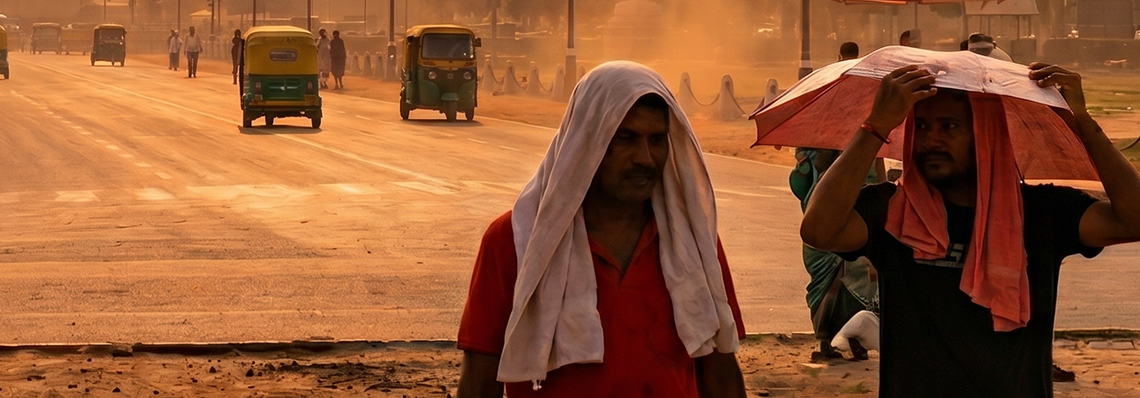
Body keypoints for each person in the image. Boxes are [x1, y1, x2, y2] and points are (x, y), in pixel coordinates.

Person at [800, 59, 1140, 397]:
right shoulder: (893, 211)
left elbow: (1133, 219)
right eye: (922, 127)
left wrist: (1083, 124)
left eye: (948, 127)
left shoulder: (1040, 212)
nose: (931, 139)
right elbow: (818, 230)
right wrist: (875, 127)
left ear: (985, 135)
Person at [456, 61, 746, 398]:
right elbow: (479, 381)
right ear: (587, 143)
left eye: (656, 140)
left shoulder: (693, 242)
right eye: (626, 138)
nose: (646, 158)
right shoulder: (514, 241)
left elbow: (721, 374)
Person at [788, 39, 880, 361]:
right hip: (822, 221)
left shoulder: (867, 133)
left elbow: (876, 166)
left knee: (857, 277)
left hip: (857, 216)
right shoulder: (818, 137)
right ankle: (825, 342)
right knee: (827, 282)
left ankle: (853, 339)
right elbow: (802, 180)